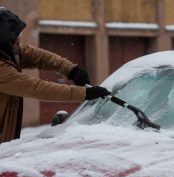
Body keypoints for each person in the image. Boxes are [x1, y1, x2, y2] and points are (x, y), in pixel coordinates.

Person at [0, 7, 111, 144]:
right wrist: (84, 93)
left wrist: (71, 70)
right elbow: (36, 88)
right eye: (14, 38)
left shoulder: (9, 52)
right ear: (3, 42)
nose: (18, 40)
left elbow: (40, 57)